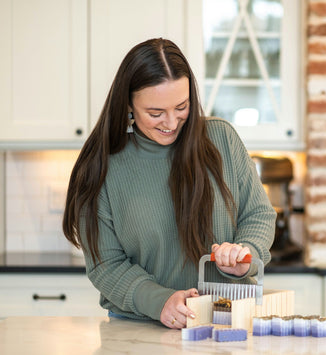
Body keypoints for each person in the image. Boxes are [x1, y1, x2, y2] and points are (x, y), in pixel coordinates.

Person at [62, 38, 276, 329]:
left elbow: (258, 214)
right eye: (155, 113)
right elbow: (105, 265)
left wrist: (245, 254)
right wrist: (159, 300)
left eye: (181, 106)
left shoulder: (221, 139)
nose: (172, 122)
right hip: (138, 328)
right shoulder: (102, 167)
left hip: (226, 322)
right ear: (128, 104)